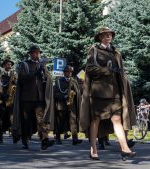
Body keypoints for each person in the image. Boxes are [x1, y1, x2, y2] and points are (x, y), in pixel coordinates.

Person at [80, 27, 136, 160]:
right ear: (100, 37)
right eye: (105, 35)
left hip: (115, 92)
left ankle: (125, 148)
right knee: (95, 120)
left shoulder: (115, 51)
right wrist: (107, 70)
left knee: (117, 119)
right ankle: (93, 149)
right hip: (99, 92)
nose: (108, 36)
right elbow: (90, 69)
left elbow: (120, 71)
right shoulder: (94, 50)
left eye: (110, 35)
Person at [12, 45, 55, 150]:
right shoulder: (24, 65)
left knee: (41, 120)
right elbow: (22, 79)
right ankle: (25, 141)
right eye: (35, 53)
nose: (37, 55)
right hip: (26, 98)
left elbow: (47, 79)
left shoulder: (42, 66)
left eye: (38, 53)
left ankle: (44, 140)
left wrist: (45, 75)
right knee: (26, 121)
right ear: (30, 54)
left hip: (39, 98)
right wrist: (36, 72)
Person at [53, 65, 82, 145]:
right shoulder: (59, 81)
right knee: (60, 122)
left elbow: (77, 92)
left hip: (72, 106)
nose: (68, 73)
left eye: (70, 72)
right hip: (61, 106)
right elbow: (55, 93)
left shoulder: (73, 81)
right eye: (67, 72)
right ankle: (58, 138)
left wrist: (74, 93)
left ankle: (75, 139)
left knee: (73, 122)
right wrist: (64, 96)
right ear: (64, 73)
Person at [0, 57, 17, 143]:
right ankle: (0, 137)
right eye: (8, 64)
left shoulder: (13, 75)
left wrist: (15, 84)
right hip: (1, 100)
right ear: (4, 65)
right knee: (0, 120)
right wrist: (0, 94)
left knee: (12, 118)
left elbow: (16, 87)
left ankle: (14, 136)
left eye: (10, 64)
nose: (9, 66)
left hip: (10, 100)